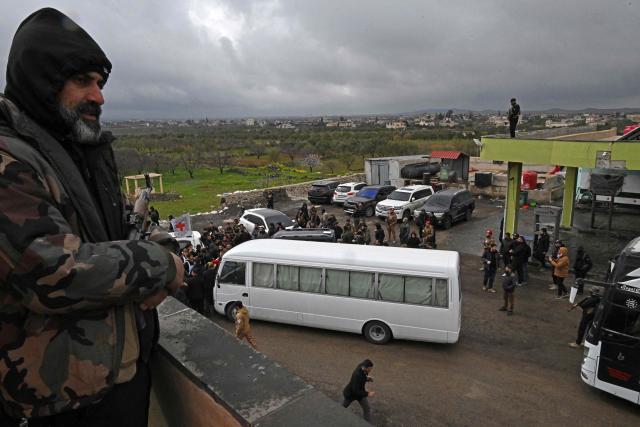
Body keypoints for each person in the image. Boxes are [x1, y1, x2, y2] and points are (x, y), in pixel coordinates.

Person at [0, 8, 185, 426]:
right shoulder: (10, 162)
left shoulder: (79, 153)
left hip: (117, 379)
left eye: (100, 83)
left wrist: (166, 247)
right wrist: (161, 265)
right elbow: (53, 273)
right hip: (54, 403)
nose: (99, 96)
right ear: (42, 81)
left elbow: (127, 226)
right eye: (83, 81)